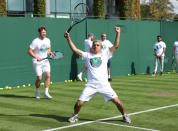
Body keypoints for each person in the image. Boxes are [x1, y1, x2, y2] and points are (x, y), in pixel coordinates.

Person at [64, 27, 131, 123]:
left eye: (97, 45)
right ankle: (75, 115)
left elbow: (116, 45)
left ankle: (124, 115)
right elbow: (74, 49)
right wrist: (68, 38)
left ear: (101, 47)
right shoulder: (87, 55)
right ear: (92, 47)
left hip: (104, 85)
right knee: (78, 104)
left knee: (118, 102)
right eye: (94, 45)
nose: (95, 46)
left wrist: (118, 33)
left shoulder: (105, 54)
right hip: (91, 85)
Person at [28, 26, 53, 99]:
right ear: (39, 33)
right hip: (37, 62)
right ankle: (37, 91)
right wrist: (36, 57)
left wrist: (50, 53)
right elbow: (29, 51)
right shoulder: (35, 41)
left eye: (45, 32)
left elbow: (48, 48)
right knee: (39, 78)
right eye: (42, 32)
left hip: (45, 61)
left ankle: (46, 93)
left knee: (48, 75)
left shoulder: (48, 40)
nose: (44, 33)